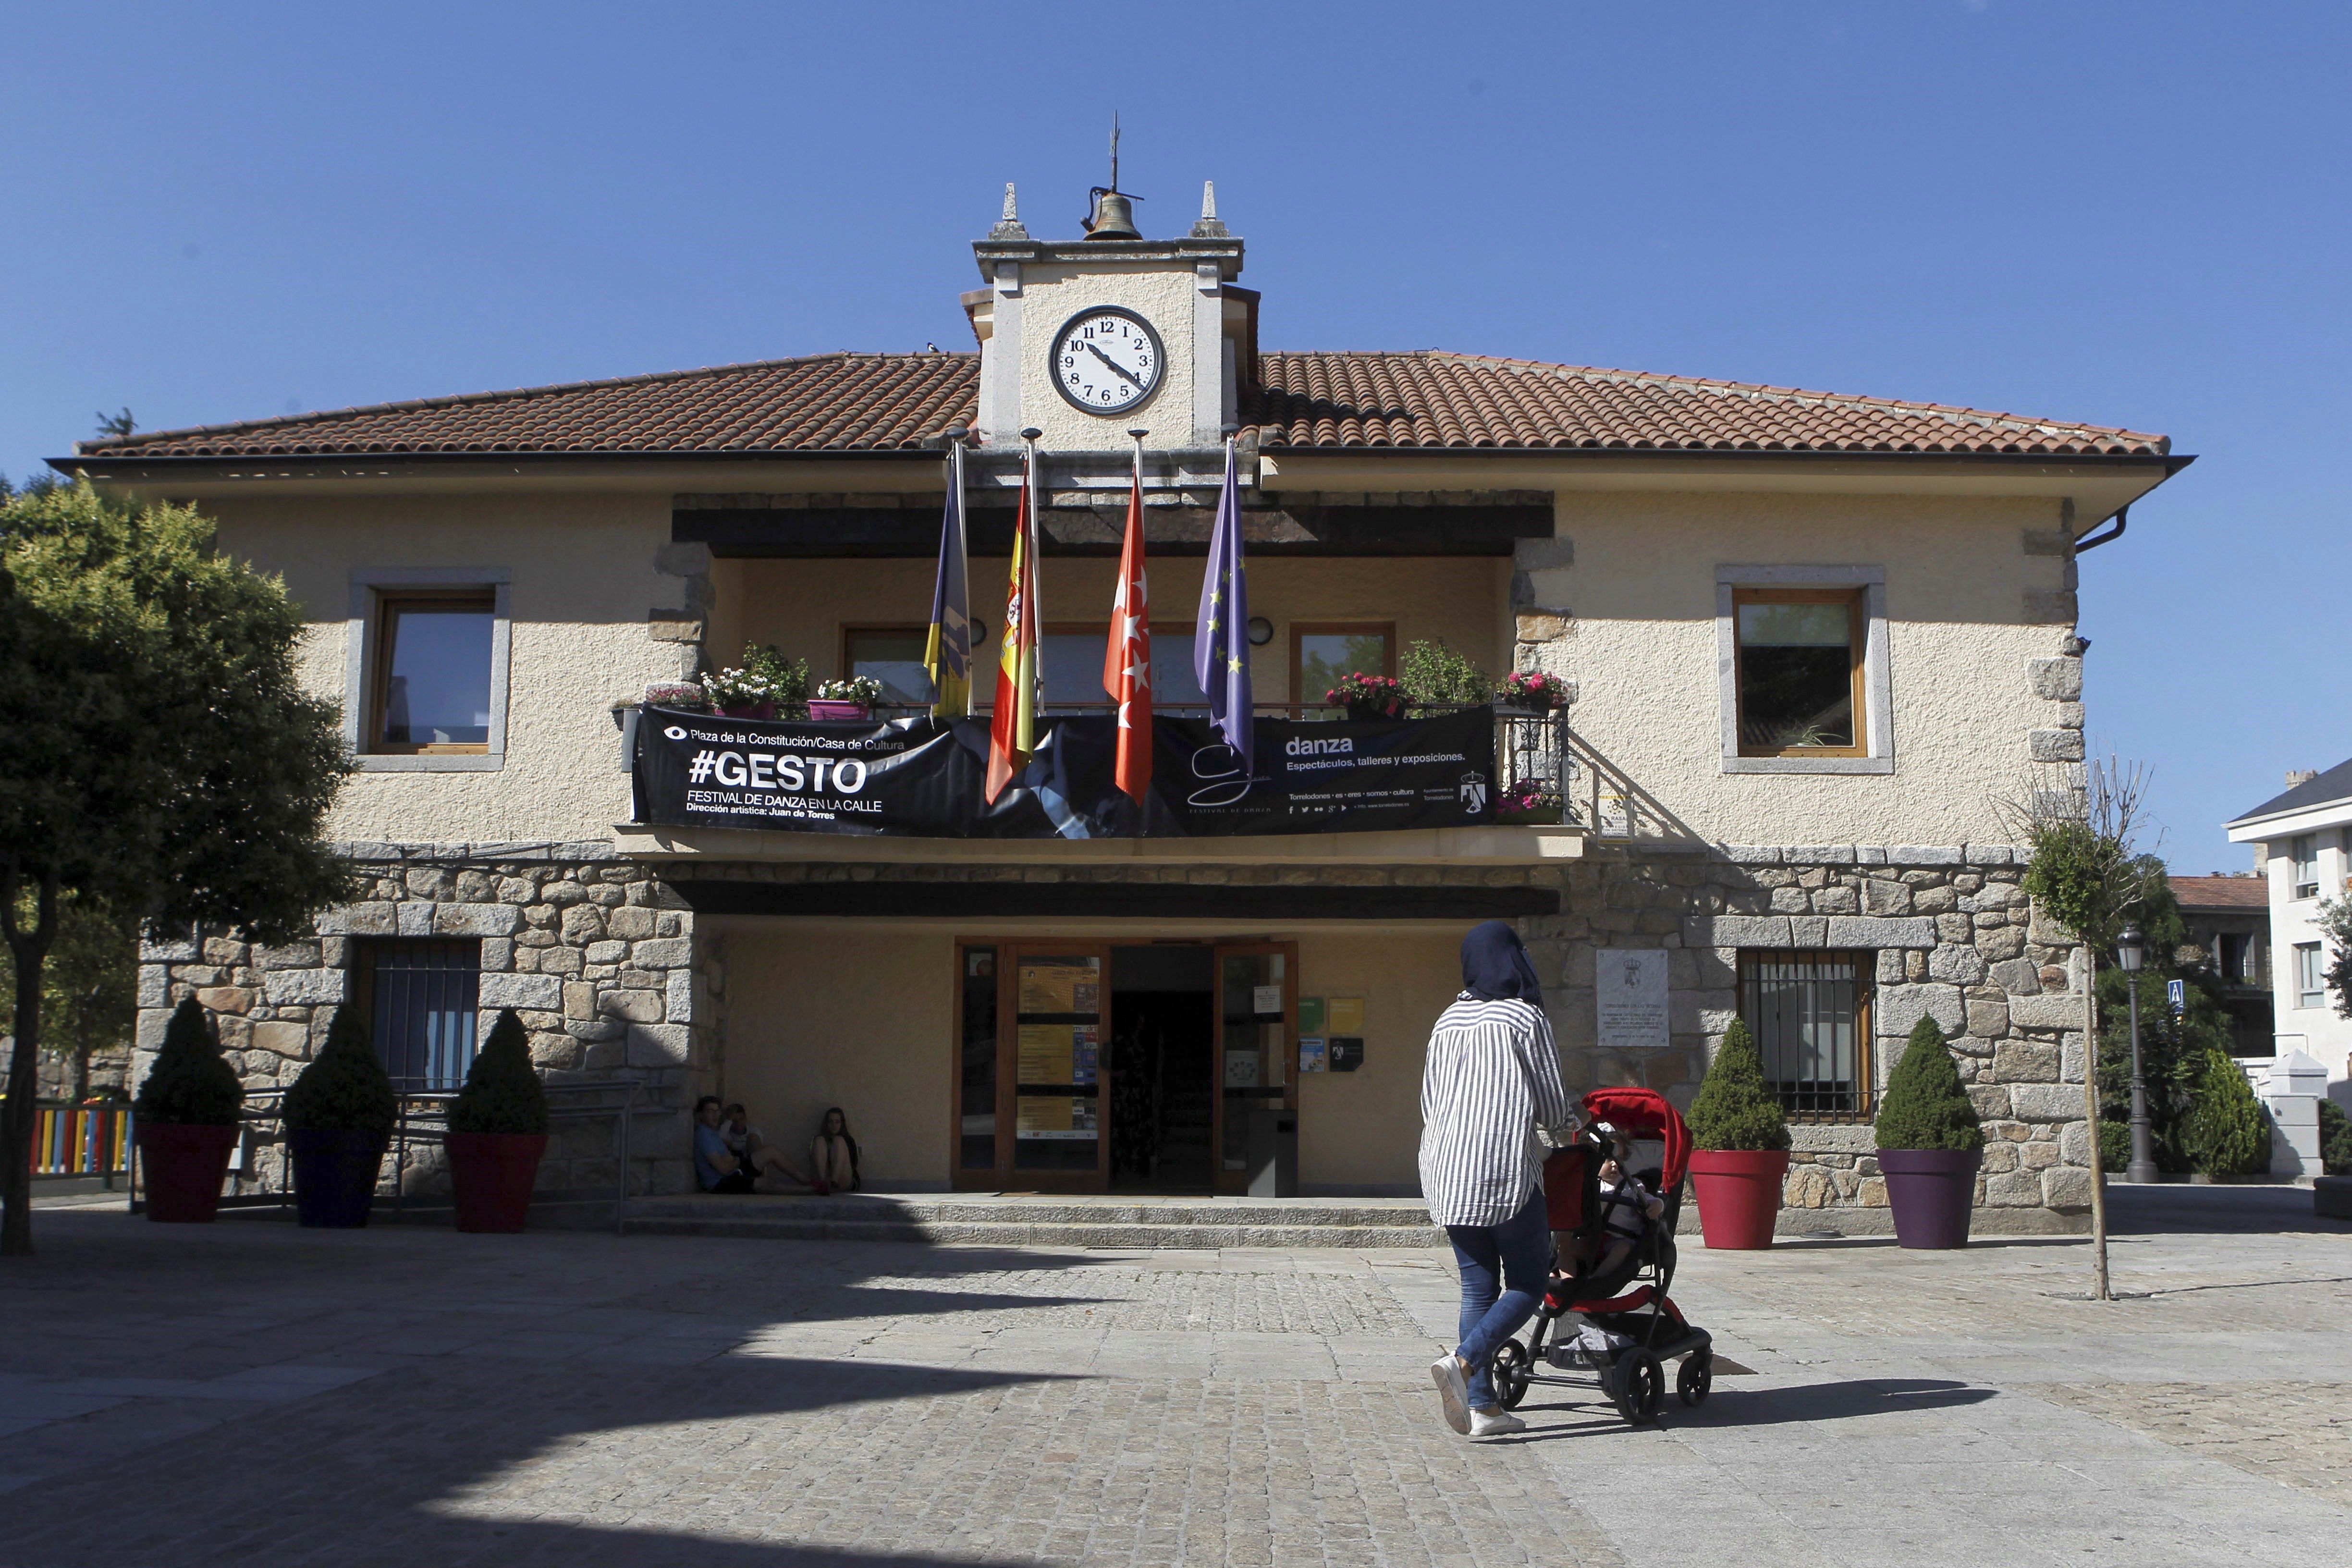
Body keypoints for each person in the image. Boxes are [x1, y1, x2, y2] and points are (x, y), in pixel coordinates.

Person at [1420, 920, 1577, 1439]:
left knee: (1477, 1290)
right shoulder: (1523, 1017)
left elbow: (1430, 1099)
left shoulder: (1446, 1020)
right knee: (1530, 1284)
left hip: (1447, 1167)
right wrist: (1568, 1132)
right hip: (1502, 1168)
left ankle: (1484, 1408)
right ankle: (1463, 1364)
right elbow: (1553, 1103)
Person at [725, 1102, 808, 1186]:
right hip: (734, 1172)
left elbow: (759, 1153)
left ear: (746, 1118)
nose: (739, 1124)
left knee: (761, 1143)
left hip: (752, 1168)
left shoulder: (753, 1131)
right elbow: (726, 1142)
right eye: (735, 1121)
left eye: (741, 1119)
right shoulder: (725, 1134)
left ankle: (808, 1182)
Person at [808, 1106, 860, 1195]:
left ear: (842, 1124)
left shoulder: (848, 1140)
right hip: (824, 1177)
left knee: (838, 1140)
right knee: (819, 1140)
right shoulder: (820, 1140)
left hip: (843, 1179)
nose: (834, 1126)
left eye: (837, 1122)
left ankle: (834, 1182)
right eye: (831, 1122)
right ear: (826, 1124)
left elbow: (854, 1163)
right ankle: (823, 1185)